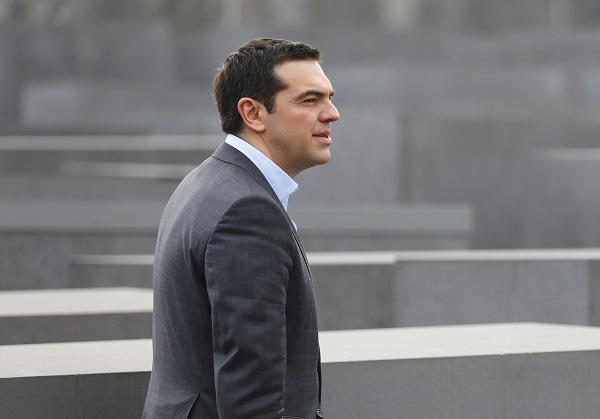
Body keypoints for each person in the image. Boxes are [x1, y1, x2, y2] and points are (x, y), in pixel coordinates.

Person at [142, 38, 340, 419]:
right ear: (253, 113)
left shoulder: (207, 182)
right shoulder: (247, 211)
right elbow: (252, 399)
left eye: (329, 98)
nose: (332, 113)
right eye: (310, 100)